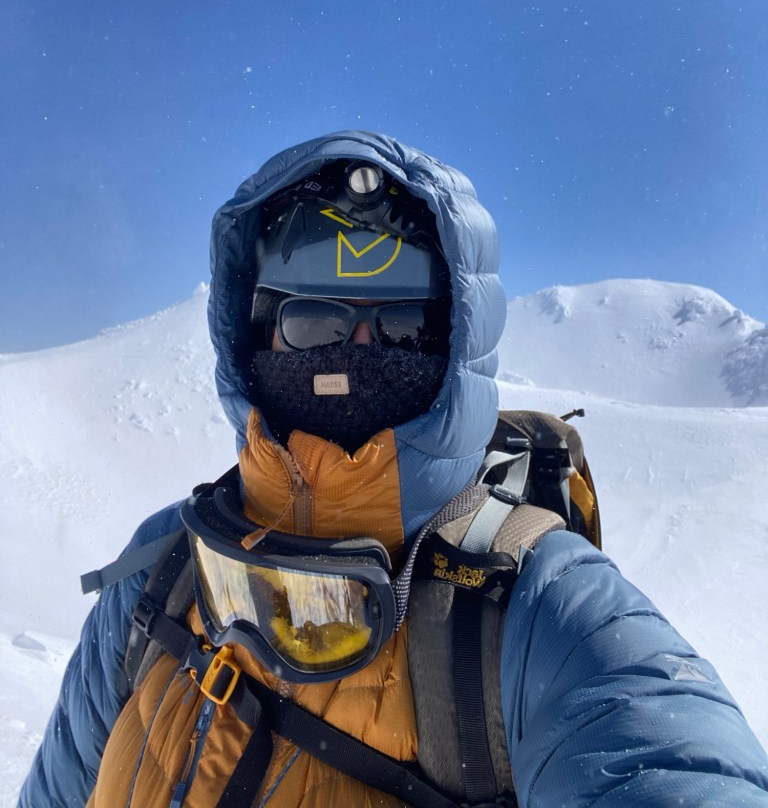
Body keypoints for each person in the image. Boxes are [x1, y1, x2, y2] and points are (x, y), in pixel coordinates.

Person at [18, 131, 768, 807]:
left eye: (402, 331)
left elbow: (665, 753)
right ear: (254, 336)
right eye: (315, 325)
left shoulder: (538, 604)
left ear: (455, 346)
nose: (356, 356)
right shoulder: (165, 569)